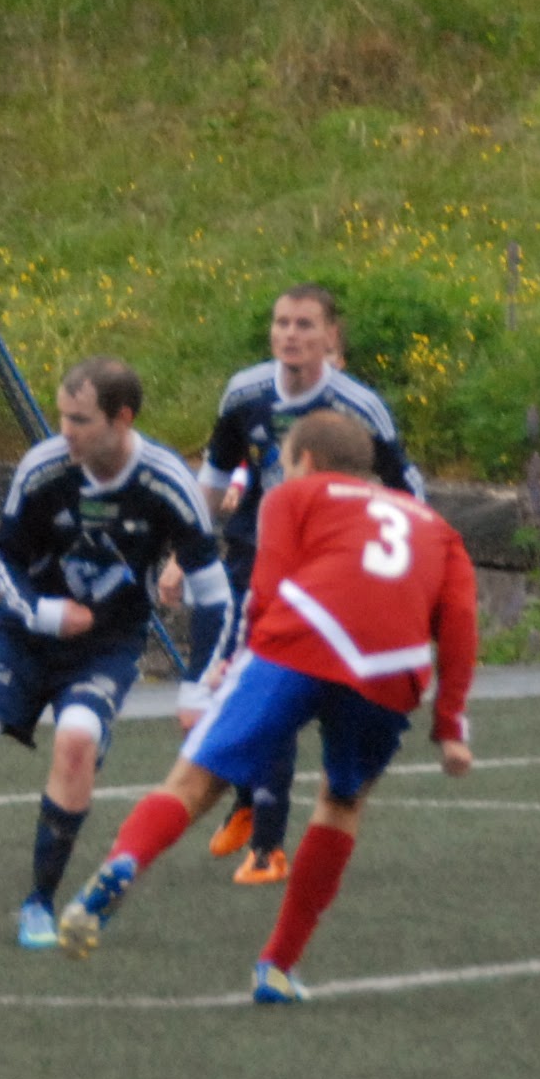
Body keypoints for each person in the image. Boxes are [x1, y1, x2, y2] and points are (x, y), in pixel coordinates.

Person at [55, 406, 478, 1002]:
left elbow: (267, 587)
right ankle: (277, 967)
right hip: (389, 669)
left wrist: (239, 659)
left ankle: (125, 862)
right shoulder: (435, 526)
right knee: (340, 804)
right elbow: (459, 623)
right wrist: (450, 723)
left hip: (302, 639)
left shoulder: (291, 497)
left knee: (195, 782)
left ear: (306, 461)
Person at [0, 358, 230, 949]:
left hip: (106, 646)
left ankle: (39, 902)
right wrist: (45, 612)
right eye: (62, 416)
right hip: (24, 634)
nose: (65, 431)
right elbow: (1, 557)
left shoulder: (168, 480)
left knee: (76, 740)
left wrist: (197, 688)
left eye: (80, 420)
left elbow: (212, 588)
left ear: (123, 419)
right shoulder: (44, 467)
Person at [198, 284, 424, 883]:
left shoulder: (359, 407)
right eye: (282, 323)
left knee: (290, 688)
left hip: (331, 569)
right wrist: (184, 551)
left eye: (304, 324)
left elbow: (407, 490)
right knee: (230, 691)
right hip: (258, 556)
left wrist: (407, 566)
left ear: (330, 337)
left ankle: (266, 843)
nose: (291, 334)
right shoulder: (245, 392)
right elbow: (216, 472)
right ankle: (251, 807)